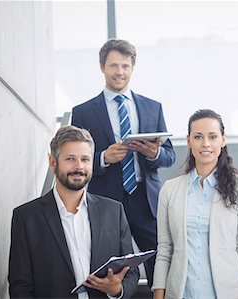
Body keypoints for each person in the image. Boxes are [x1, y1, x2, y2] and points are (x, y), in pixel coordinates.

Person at [71, 39, 175, 286]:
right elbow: (75, 159)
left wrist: (153, 153)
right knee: (109, 267)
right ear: (102, 67)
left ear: (132, 68)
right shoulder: (83, 112)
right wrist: (103, 158)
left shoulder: (152, 107)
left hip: (146, 200)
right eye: (114, 66)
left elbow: (169, 155)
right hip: (106, 199)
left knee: (161, 263)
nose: (120, 72)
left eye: (125, 66)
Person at [8, 125, 140, 298]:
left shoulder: (114, 211)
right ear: (53, 163)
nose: (79, 166)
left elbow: (131, 272)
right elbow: (20, 286)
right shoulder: (26, 218)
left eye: (85, 159)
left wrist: (117, 290)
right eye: (70, 158)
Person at [152, 109, 238, 299]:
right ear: (188, 141)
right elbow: (164, 251)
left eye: (212, 137)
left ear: (223, 140)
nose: (205, 144)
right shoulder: (169, 190)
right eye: (198, 137)